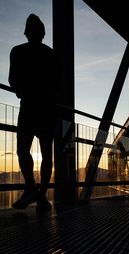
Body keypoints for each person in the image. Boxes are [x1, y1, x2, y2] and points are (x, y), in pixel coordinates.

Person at [9, 14, 60, 209]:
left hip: (29, 106)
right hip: (48, 108)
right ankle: (42, 196)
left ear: (26, 32)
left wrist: (23, 90)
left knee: (23, 149)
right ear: (43, 33)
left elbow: (13, 81)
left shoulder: (17, 52)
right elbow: (58, 83)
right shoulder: (52, 55)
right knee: (47, 153)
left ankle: (30, 187)